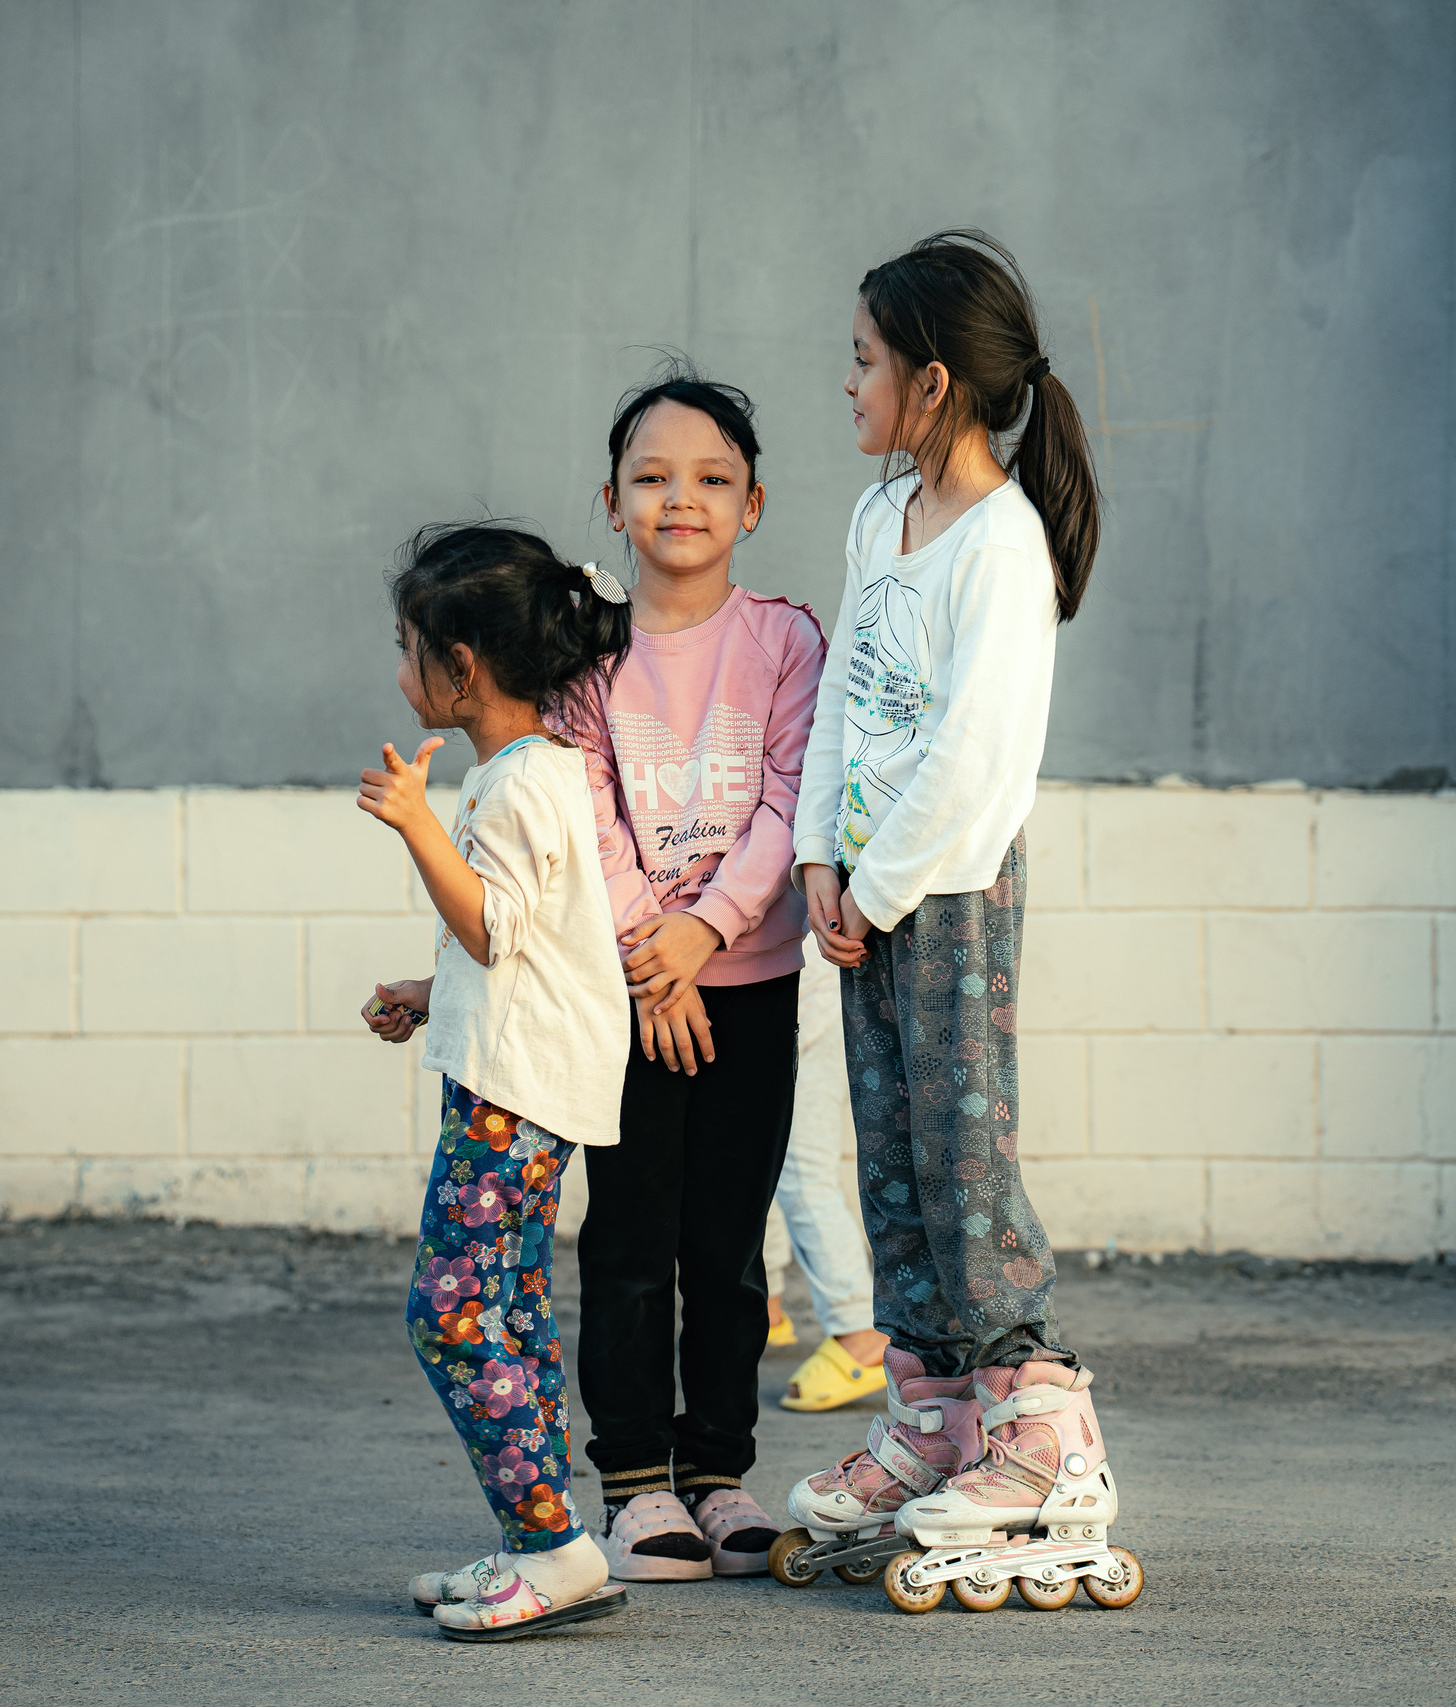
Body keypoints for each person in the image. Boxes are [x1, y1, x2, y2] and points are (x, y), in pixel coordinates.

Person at [781, 231, 1136, 1611]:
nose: (849, 385)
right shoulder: (883, 520)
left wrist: (868, 888)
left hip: (949, 896)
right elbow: (845, 705)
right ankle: (932, 1409)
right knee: (895, 1160)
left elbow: (978, 759)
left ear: (932, 384)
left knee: (964, 1153)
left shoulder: (1002, 543)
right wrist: (819, 854)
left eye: (864, 363)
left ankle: (1044, 1425)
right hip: (865, 895)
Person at [355, 522, 635, 1641]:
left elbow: (495, 926)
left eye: (407, 644)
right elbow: (526, 945)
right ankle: (542, 1542)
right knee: (505, 1314)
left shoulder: (516, 786)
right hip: (513, 1078)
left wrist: (418, 825)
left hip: (514, 1095)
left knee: (452, 1314)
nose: (400, 667)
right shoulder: (530, 773)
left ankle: (557, 1551)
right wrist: (430, 995)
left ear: (461, 666)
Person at [571, 369, 827, 1581]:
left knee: (727, 1247)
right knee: (627, 1239)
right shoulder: (583, 652)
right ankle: (632, 1484)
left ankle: (718, 1472)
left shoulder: (782, 638)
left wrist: (708, 932)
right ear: (610, 502)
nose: (683, 497)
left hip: (750, 986)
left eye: (712, 478)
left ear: (754, 504)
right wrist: (651, 957)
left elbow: (792, 798)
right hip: (627, 992)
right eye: (653, 477)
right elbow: (584, 810)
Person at [761, 933, 891, 1413]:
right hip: (779, 985)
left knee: (802, 1170)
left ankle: (859, 1331)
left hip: (811, 995)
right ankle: (766, 1307)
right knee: (760, 1156)